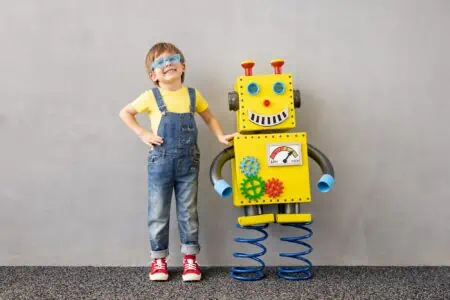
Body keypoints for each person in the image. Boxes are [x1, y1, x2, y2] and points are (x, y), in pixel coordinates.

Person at [119, 42, 235, 281]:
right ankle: (158, 260)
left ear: (183, 65)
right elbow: (125, 113)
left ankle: (190, 260)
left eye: (173, 59)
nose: (168, 64)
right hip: (160, 162)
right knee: (158, 211)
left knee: (188, 211)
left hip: (188, 163)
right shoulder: (150, 97)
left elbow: (209, 116)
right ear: (153, 75)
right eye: (160, 62)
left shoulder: (193, 95)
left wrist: (221, 136)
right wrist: (144, 134)